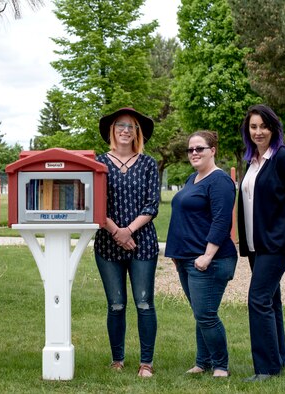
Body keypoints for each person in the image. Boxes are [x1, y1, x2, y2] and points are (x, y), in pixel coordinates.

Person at [238, 104, 285, 382]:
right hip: (257, 244)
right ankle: (279, 359)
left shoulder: (283, 158)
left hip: (277, 242)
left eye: (263, 126)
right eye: (253, 127)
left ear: (273, 128)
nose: (258, 132)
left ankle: (266, 369)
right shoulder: (252, 160)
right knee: (271, 300)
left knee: (257, 299)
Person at [93, 107, 160, 378]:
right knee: (116, 304)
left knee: (144, 303)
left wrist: (128, 231)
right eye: (120, 125)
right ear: (112, 130)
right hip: (108, 245)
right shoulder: (99, 163)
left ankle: (146, 362)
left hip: (142, 243)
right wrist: (115, 231)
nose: (124, 130)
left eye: (130, 126)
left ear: (137, 133)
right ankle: (117, 359)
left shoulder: (148, 164)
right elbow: (95, 204)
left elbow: (152, 204)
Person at [165, 131, 237, 378]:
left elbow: (221, 221)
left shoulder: (220, 181)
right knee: (200, 313)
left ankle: (220, 366)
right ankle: (202, 362)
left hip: (211, 260)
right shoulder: (191, 179)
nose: (194, 153)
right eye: (190, 150)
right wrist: (176, 254)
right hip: (186, 259)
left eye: (200, 149)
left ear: (213, 150)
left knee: (206, 314)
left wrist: (207, 256)